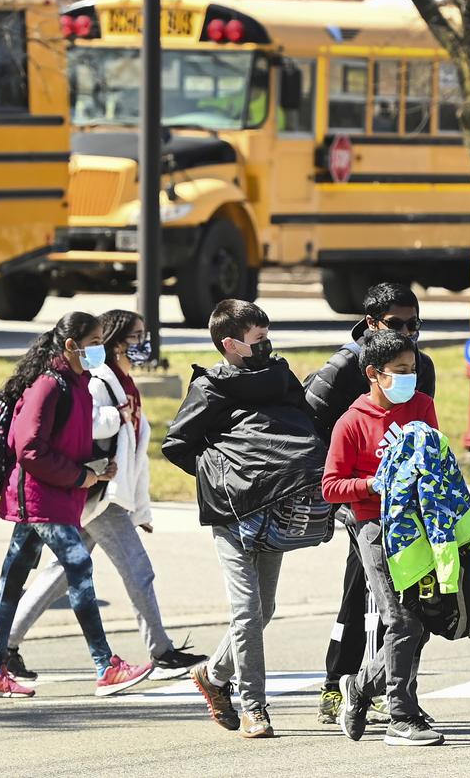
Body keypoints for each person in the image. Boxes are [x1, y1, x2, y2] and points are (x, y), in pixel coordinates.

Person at [1, 310, 207, 680]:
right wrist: (114, 416)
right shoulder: (98, 381)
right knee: (137, 570)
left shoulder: (124, 381)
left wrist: (141, 508)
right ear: (113, 342)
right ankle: (159, 651)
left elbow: (135, 453)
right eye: (136, 337)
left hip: (106, 494)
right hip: (97, 494)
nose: (143, 343)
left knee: (60, 573)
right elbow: (81, 427)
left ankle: (4, 647)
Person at [162, 300, 326, 739]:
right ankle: (255, 707)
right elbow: (177, 444)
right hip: (232, 513)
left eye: (268, 336)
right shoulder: (211, 388)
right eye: (258, 340)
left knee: (264, 608)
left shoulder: (279, 375)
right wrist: (222, 476)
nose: (267, 345)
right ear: (230, 345)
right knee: (248, 612)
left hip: (276, 504)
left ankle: (212, 675)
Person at [0, 313, 154, 699]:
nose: (99, 348)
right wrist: (79, 477)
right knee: (79, 569)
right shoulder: (48, 385)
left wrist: (94, 470)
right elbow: (30, 448)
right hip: (42, 497)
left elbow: (64, 441)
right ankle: (106, 666)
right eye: (92, 340)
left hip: (53, 495)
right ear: (71, 345)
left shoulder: (77, 383)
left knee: (12, 580)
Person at [304, 282, 436, 725]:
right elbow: (311, 424)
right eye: (396, 325)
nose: (407, 333)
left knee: (407, 602)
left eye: (413, 324)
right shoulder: (345, 368)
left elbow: (423, 430)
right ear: (371, 324)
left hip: (405, 504)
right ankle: (337, 683)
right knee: (364, 593)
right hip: (358, 500)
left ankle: (393, 690)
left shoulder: (419, 367)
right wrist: (361, 476)